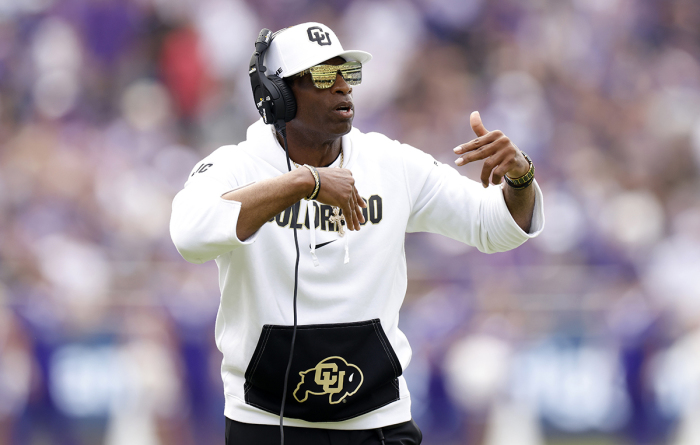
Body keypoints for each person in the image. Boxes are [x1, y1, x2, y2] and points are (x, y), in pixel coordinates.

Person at [170, 22, 544, 445]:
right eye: (325, 76)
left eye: (349, 74)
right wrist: (303, 183)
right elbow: (189, 234)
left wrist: (521, 177)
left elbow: (494, 227)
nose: (344, 87)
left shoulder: (391, 163)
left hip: (379, 421)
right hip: (266, 422)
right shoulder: (234, 165)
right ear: (277, 95)